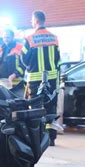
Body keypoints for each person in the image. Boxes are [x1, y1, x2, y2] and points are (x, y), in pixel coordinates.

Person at [21, 10, 60, 146]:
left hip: (35, 80)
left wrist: (31, 67)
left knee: (35, 109)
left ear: (36, 20)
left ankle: (36, 138)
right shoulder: (54, 38)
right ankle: (51, 138)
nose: (31, 22)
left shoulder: (29, 39)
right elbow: (58, 59)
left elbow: (23, 59)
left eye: (32, 20)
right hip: (52, 79)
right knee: (51, 107)